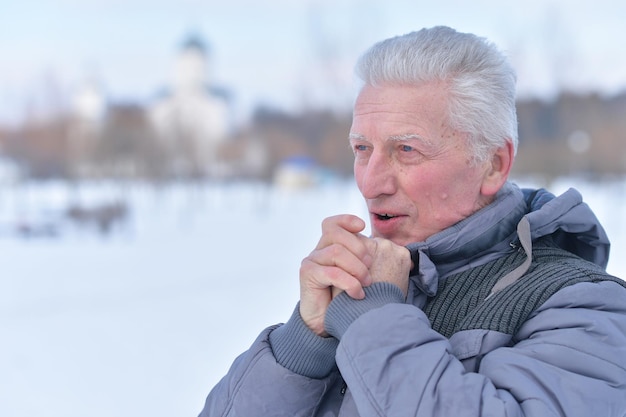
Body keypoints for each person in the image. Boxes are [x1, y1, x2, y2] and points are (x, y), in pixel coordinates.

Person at [198, 26, 626, 416]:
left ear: (493, 164)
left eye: (406, 150)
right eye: (362, 148)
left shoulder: (589, 310)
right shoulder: (366, 285)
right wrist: (304, 345)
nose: (370, 184)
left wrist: (373, 323)